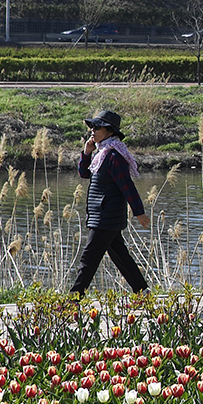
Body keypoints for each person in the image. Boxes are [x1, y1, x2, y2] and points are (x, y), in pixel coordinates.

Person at [70, 109, 151, 295]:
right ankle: (143, 292)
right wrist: (86, 152)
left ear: (110, 132)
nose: (92, 130)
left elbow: (127, 186)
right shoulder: (101, 154)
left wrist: (139, 212)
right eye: (92, 126)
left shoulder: (114, 157)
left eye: (97, 127)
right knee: (120, 256)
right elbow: (84, 174)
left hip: (106, 216)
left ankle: (74, 299)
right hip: (103, 215)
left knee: (88, 259)